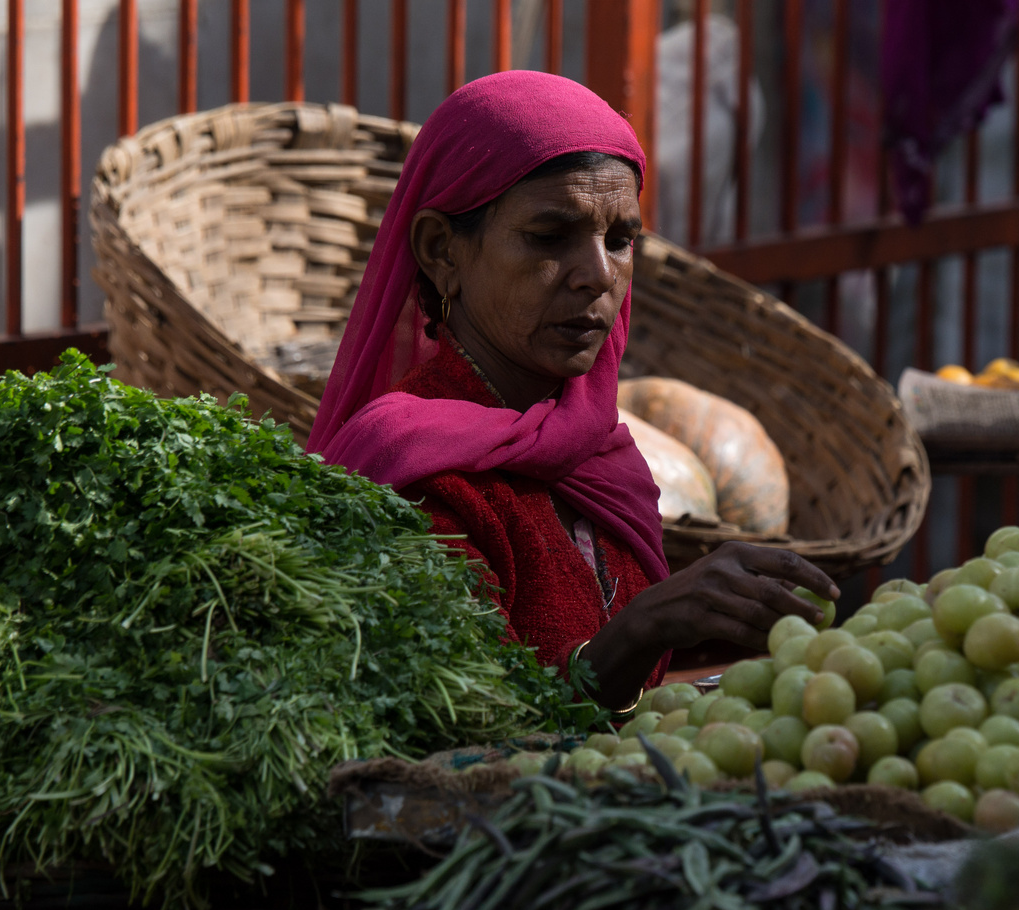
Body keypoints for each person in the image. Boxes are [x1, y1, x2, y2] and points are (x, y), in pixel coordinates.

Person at [308, 70, 837, 713]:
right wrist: (642, 629)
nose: (598, 275)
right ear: (442, 250)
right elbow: (469, 726)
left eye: (620, 240)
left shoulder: (600, 456)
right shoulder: (413, 476)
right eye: (550, 237)